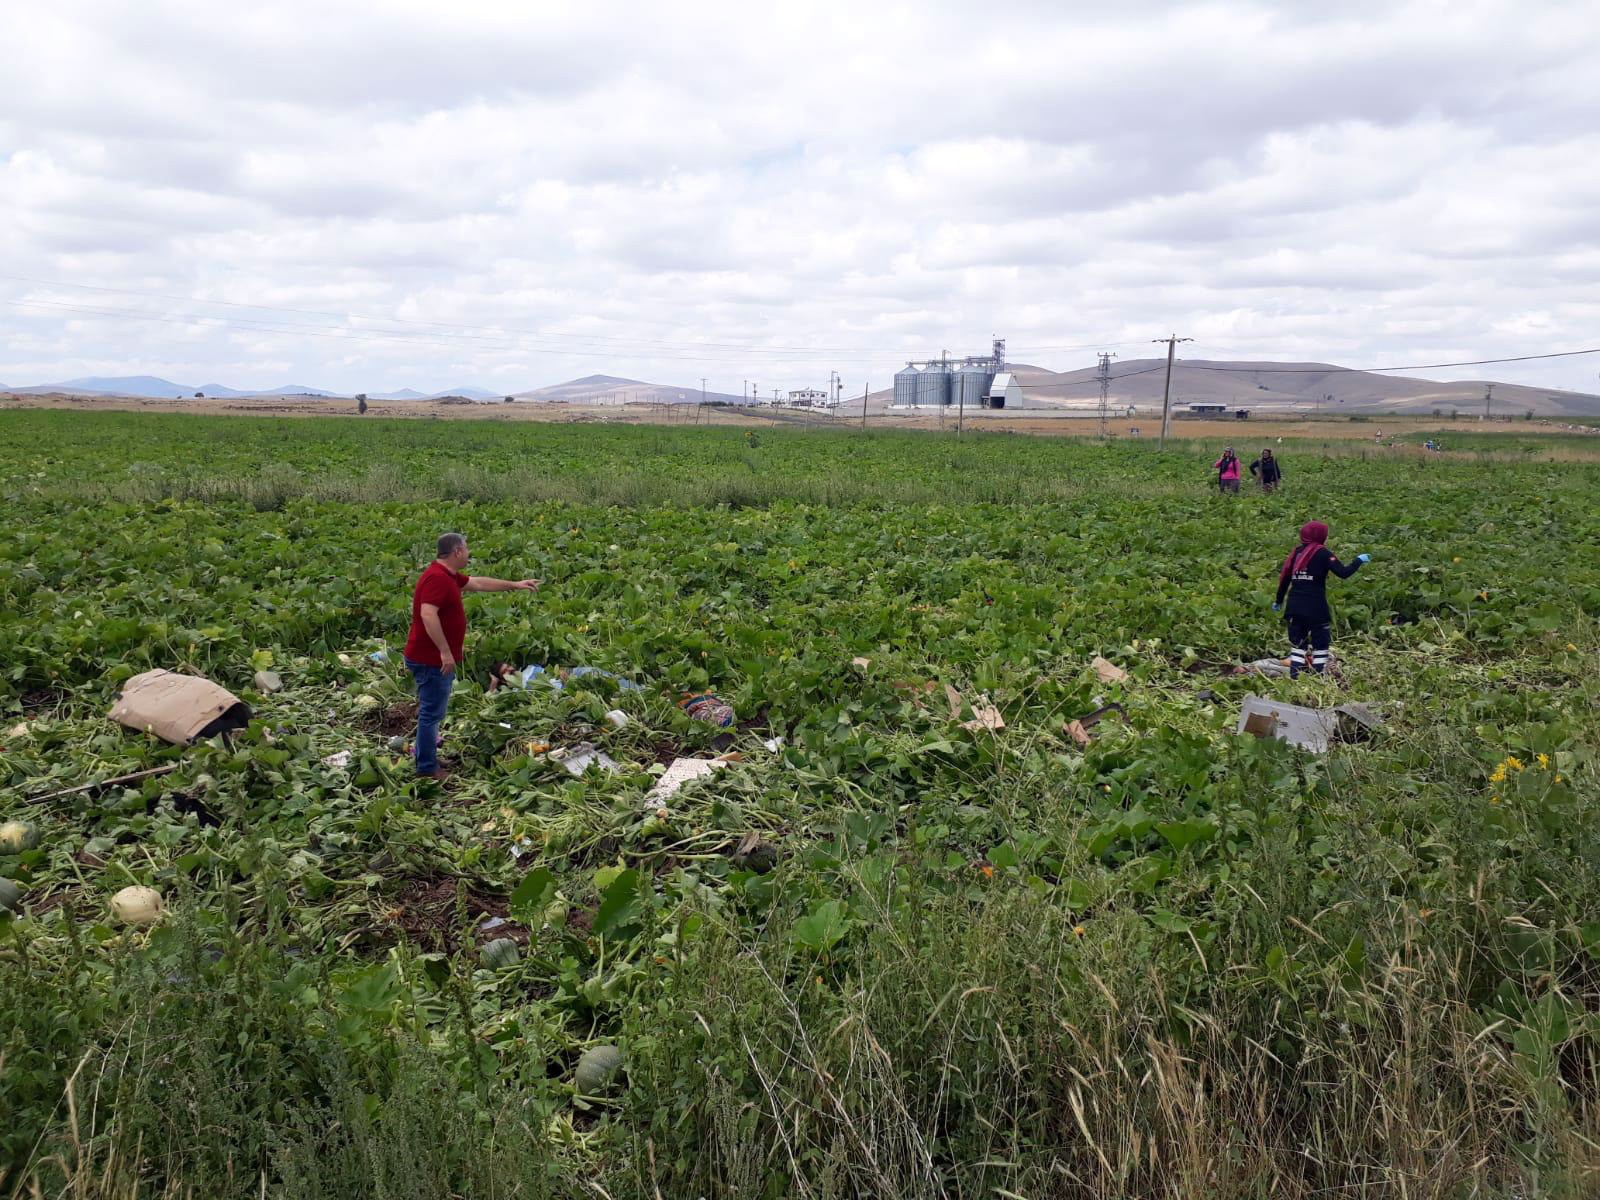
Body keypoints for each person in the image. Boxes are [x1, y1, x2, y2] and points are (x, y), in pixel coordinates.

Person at [402, 533, 541, 780]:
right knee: (431, 713)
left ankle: (428, 756)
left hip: (432, 658)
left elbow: (478, 583)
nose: (469, 553)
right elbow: (427, 614)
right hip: (430, 659)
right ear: (457, 552)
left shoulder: (447, 575)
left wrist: (515, 584)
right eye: (466, 549)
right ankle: (427, 768)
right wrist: (445, 651)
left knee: (433, 711)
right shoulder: (437, 578)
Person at [1272, 521, 1370, 678]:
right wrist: (1358, 560)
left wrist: (1278, 601)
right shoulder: (1323, 553)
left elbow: (1284, 579)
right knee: (1321, 645)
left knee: (1298, 646)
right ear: (1321, 536)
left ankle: (1295, 678)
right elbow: (1343, 573)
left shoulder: (1296, 553)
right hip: (1315, 608)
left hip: (1294, 607)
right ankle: (1319, 679)